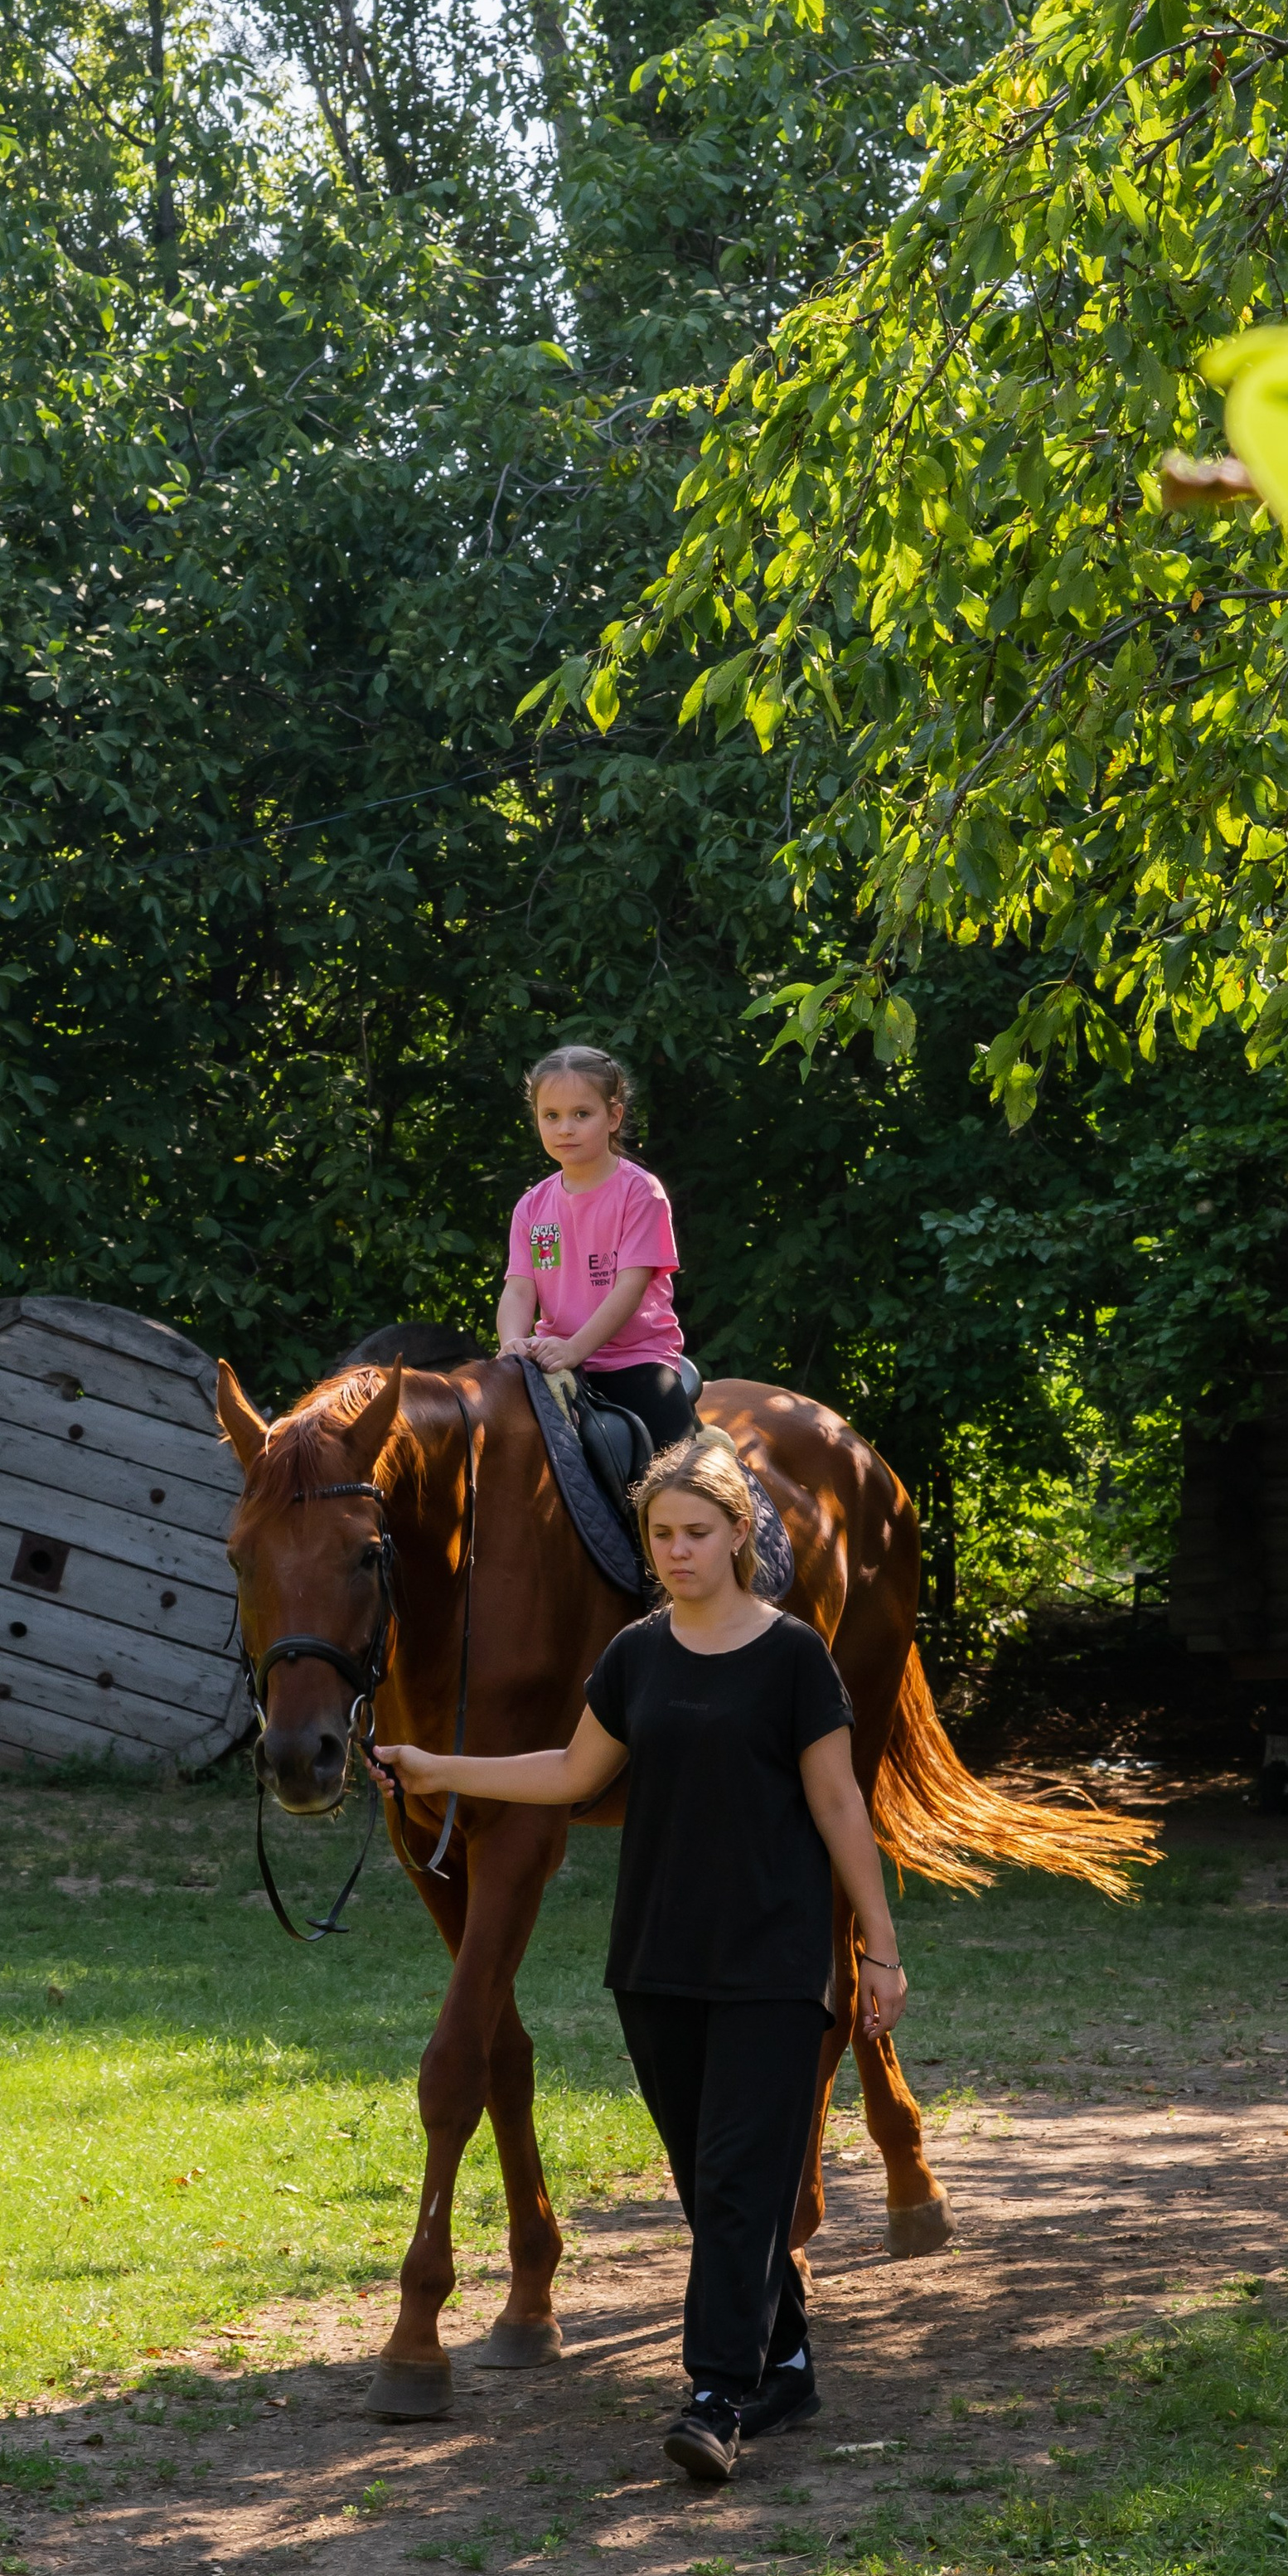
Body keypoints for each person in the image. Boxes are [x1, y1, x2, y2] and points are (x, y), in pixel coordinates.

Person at [370, 1432, 909, 2486]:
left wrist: (878, 1951)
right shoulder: (635, 1655)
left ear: (738, 1533)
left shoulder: (794, 1657)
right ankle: (786, 2362)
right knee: (713, 2189)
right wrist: (438, 1766)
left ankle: (715, 2396)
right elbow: (571, 1772)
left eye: (696, 1532)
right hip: (657, 1961)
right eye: (660, 1534)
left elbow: (841, 1804)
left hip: (773, 1959)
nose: (677, 1551)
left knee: (739, 2181)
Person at [496, 1042, 695, 1453]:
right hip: (550, 1359)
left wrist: (575, 1349)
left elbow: (630, 1288)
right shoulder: (531, 1206)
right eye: (551, 1116)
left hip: (634, 1360)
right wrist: (512, 1343)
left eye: (581, 1114)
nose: (565, 1128)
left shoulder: (640, 1193)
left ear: (613, 1117)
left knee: (679, 1468)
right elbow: (518, 1289)